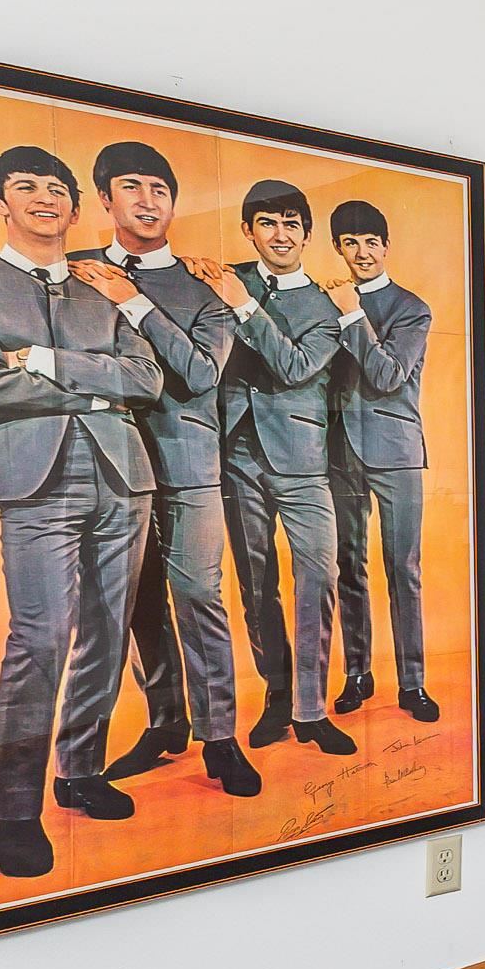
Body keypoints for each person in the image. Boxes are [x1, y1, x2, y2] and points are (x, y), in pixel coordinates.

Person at [0, 146, 164, 877]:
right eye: (26, 187)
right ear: (0, 201)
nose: (44, 198)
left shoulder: (101, 286)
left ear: (75, 206)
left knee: (106, 630)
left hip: (125, 475)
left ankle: (80, 770)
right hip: (35, 479)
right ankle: (16, 812)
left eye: (57, 188)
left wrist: (52, 364)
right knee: (41, 637)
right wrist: (99, 390)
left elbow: (147, 377)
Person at [70, 142, 259, 797]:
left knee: (199, 596)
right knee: (134, 603)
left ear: (173, 202)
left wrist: (134, 302)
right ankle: (164, 720)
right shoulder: (70, 274)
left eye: (160, 188)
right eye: (131, 186)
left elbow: (201, 374)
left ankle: (221, 737)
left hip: (187, 462)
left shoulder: (206, 283)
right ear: (104, 198)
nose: (147, 200)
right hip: (108, 467)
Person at [190, 180, 362, 757]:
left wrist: (241, 302)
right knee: (255, 584)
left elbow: (293, 368)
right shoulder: (221, 276)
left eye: (291, 224)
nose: (280, 234)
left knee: (319, 576)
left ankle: (311, 711)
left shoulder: (329, 302)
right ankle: (277, 695)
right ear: (249, 231)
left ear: (307, 234)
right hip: (236, 454)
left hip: (304, 459)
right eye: (267, 223)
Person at [324, 201, 440, 723]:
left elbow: (389, 375)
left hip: (396, 454)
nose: (362, 252)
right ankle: (357, 673)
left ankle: (412, 683)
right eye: (351, 243)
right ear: (338, 249)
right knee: (350, 564)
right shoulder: (326, 302)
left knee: (403, 569)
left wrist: (350, 312)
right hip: (339, 452)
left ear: (385, 247)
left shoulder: (412, 308)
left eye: (371, 242)